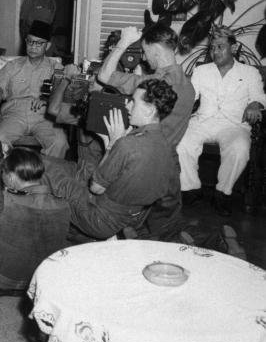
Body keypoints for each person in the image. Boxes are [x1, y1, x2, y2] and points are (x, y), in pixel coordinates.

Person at [46, 79, 180, 240]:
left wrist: (113, 145)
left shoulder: (127, 144)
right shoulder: (169, 148)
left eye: (133, 102)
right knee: (67, 168)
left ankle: (46, 227)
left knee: (43, 169)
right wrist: (110, 143)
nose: (127, 106)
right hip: (134, 218)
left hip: (99, 218)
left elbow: (96, 188)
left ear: (149, 110)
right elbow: (170, 199)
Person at [0, 139, 73, 296]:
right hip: (34, 285)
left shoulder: (2, 202)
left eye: (3, 172)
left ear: (11, 178)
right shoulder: (64, 205)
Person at [177, 26, 266, 215]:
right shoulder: (201, 71)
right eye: (212, 48)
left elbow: (259, 96)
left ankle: (222, 193)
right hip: (203, 121)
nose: (215, 52)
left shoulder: (250, 72)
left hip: (233, 124)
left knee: (239, 149)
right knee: (182, 143)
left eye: (220, 47)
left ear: (233, 48)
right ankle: (191, 189)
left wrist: (255, 104)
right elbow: (190, 97)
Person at [97, 24, 196, 148]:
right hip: (164, 153)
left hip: (140, 152)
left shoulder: (156, 84)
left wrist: (123, 41)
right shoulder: (188, 85)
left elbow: (104, 75)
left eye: (145, 51)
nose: (143, 58)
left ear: (155, 50)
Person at [0, 20, 69, 159]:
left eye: (39, 43)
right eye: (30, 41)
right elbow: (0, 83)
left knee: (59, 142)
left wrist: (48, 100)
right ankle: (8, 172)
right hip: (14, 113)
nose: (33, 46)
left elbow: (64, 93)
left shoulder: (56, 68)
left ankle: (47, 173)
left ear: (47, 46)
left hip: (44, 116)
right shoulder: (13, 66)